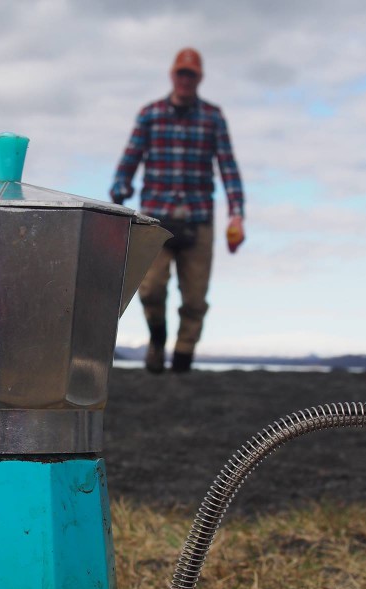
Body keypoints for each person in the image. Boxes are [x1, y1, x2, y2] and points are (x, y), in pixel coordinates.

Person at [111, 47, 245, 373]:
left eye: (192, 74)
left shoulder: (212, 117)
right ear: (173, 76)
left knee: (195, 299)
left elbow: (227, 167)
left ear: (198, 78)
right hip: (156, 219)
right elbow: (130, 159)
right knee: (151, 289)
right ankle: (158, 339)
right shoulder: (150, 114)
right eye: (181, 73)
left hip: (198, 220)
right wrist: (118, 195)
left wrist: (236, 212)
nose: (185, 80)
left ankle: (183, 359)